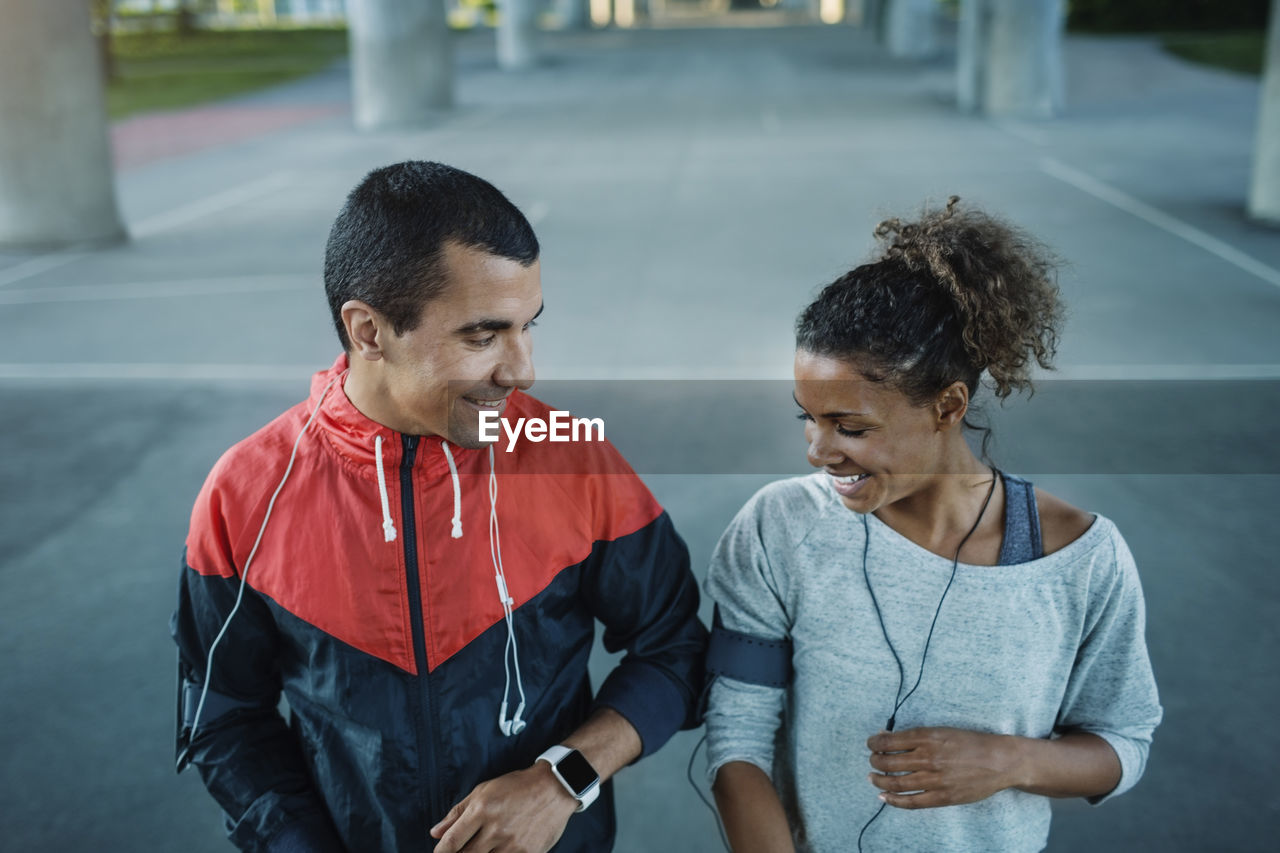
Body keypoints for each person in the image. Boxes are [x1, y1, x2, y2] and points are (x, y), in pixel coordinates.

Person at [171, 161, 707, 853]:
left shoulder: (572, 457)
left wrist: (562, 778)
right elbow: (224, 719)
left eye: (527, 326)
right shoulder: (245, 494)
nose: (521, 369)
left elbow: (676, 649)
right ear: (369, 332)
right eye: (482, 337)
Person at [703, 199, 1162, 852]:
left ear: (948, 406)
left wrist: (1011, 759)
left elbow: (1124, 738)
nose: (818, 450)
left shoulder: (1082, 558)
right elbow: (738, 733)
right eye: (807, 416)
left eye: (851, 427)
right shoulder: (778, 528)